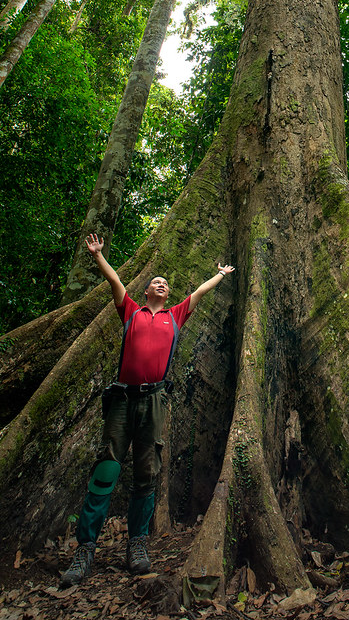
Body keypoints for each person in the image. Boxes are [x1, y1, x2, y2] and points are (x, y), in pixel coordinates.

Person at [60, 233, 234, 588]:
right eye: (156, 282)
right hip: (123, 402)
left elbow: (198, 293)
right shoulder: (131, 312)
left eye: (165, 284)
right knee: (106, 470)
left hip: (154, 401)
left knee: (146, 473)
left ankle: (137, 545)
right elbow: (114, 279)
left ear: (169, 294)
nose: (161, 285)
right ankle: (85, 550)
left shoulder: (175, 317)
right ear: (146, 291)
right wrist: (97, 255)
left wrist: (221, 274)